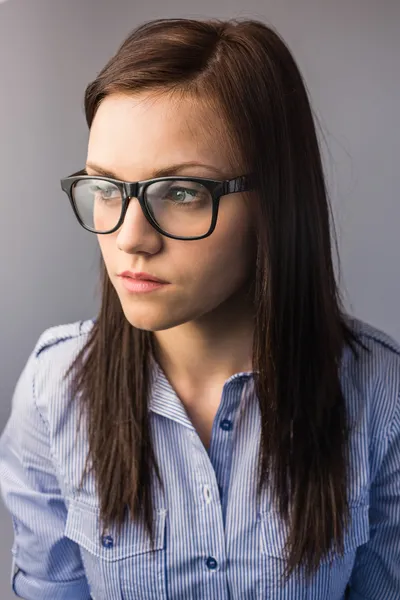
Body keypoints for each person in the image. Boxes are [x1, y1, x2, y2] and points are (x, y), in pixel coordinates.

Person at [0, 16, 399, 600]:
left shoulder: (382, 397)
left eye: (182, 193)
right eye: (106, 188)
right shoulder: (53, 391)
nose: (130, 238)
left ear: (276, 202)